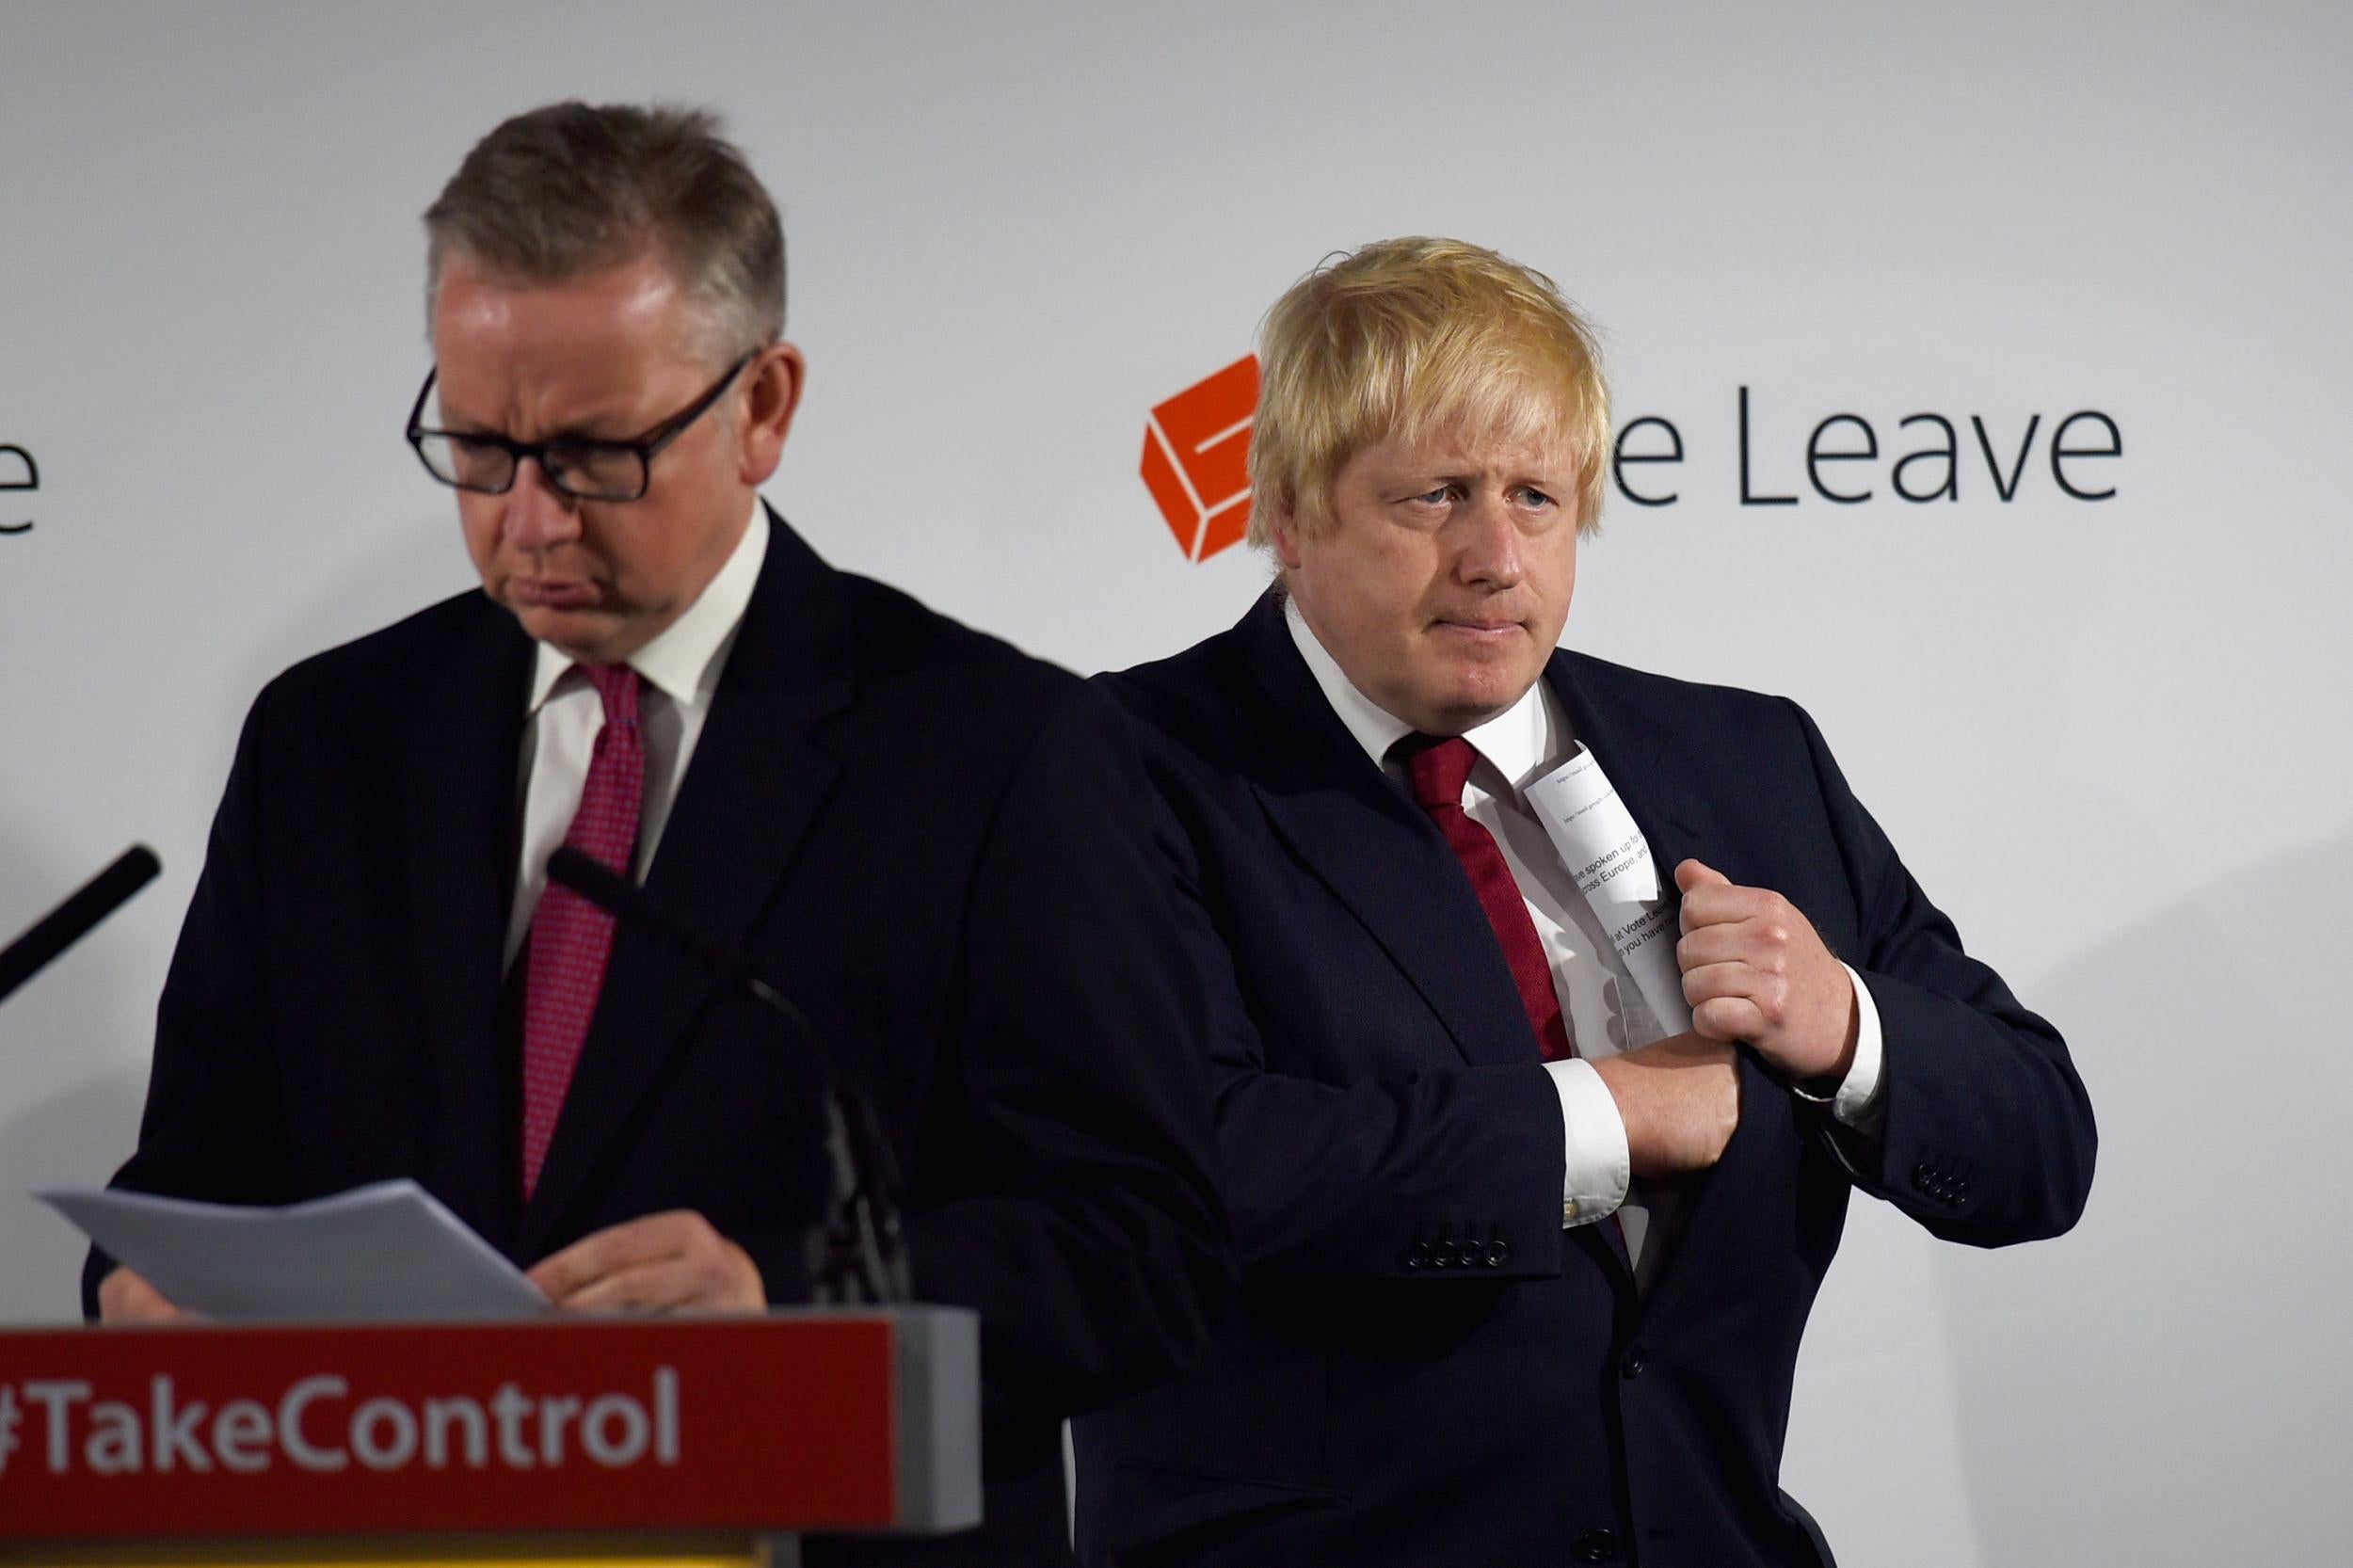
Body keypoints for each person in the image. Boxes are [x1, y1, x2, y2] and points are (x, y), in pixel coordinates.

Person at [85, 102, 1230, 1565]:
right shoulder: (331, 738)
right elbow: (199, 1169)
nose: (531, 521)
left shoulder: (997, 749)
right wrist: (143, 1286)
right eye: (480, 448)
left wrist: (783, 1306)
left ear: (762, 407)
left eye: (594, 456)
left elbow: (1142, 1245)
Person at [1072, 236, 2095, 1567]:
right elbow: (1177, 1174)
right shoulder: (1108, 772)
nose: (1496, 556)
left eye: (1537, 497)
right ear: (1287, 509)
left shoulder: (1749, 762)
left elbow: (2041, 1145)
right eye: (1434, 496)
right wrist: (1620, 1111)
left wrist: (1847, 1026)